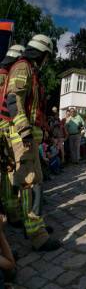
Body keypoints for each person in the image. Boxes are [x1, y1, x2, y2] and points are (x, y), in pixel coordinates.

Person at [5, 34, 61, 251]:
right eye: (47, 55)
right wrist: (25, 130)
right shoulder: (23, 68)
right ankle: (37, 235)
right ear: (43, 53)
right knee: (31, 184)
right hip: (23, 137)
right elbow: (13, 98)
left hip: (26, 136)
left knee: (31, 182)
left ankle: (34, 227)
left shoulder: (28, 69)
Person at [0, 45, 25, 228]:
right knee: (9, 170)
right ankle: (13, 215)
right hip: (4, 127)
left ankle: (11, 212)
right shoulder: (4, 76)